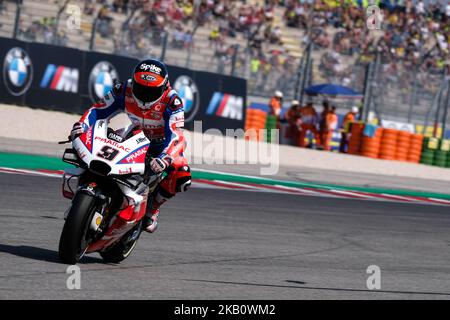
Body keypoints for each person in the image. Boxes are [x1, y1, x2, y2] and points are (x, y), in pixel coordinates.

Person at [70, 59, 191, 234]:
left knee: (182, 175)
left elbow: (177, 135)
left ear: (164, 87)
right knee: (96, 151)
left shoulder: (173, 102)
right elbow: (98, 110)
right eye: (140, 88)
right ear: (133, 82)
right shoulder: (123, 89)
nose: (144, 95)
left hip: (160, 146)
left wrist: (165, 157)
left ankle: (152, 209)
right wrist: (82, 126)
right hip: (134, 135)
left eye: (151, 91)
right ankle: (86, 186)